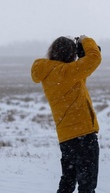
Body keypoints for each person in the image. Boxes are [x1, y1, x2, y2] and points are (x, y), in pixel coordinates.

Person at [31, 35, 102, 193]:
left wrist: (82, 58)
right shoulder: (67, 72)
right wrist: (86, 40)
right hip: (84, 135)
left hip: (66, 137)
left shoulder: (51, 74)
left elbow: (81, 75)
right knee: (87, 185)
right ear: (70, 54)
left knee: (68, 181)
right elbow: (95, 58)